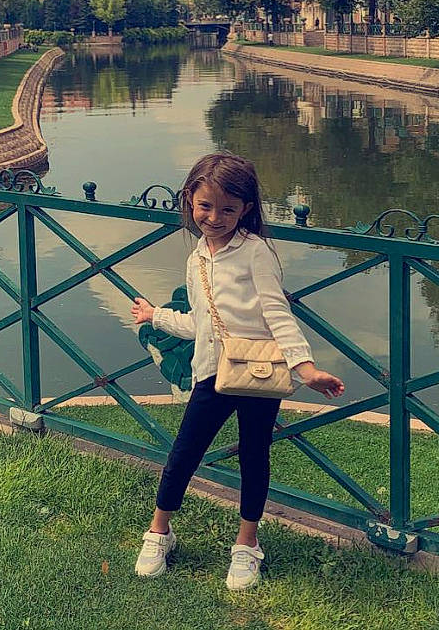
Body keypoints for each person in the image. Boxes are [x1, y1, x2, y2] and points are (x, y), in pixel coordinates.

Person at [130, 152, 345, 590]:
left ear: (246, 209)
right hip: (212, 373)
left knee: (253, 455)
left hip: (259, 374)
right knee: (184, 452)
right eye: (205, 206)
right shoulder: (197, 258)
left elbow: (277, 312)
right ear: (189, 199)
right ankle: (159, 532)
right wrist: (157, 317)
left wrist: (304, 368)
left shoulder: (255, 252)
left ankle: (247, 544)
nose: (214, 217)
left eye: (228, 209)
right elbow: (200, 320)